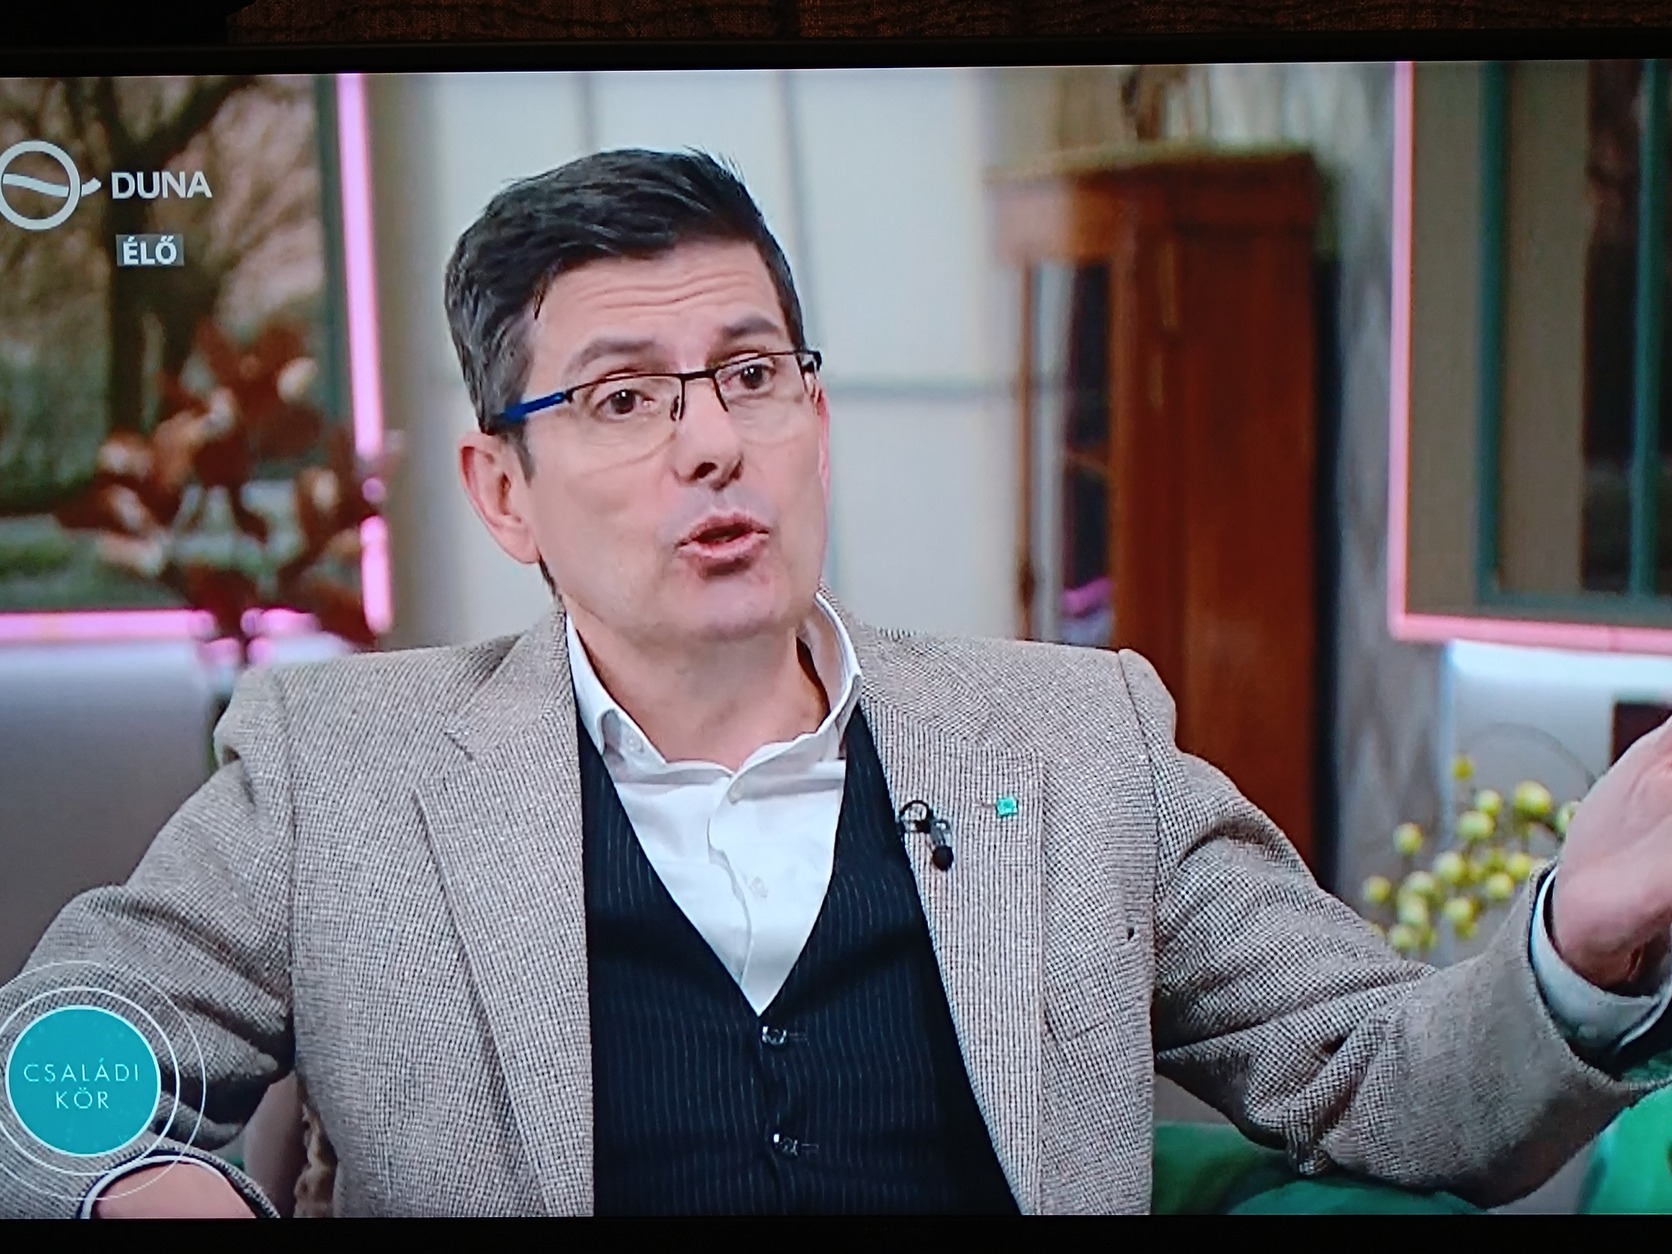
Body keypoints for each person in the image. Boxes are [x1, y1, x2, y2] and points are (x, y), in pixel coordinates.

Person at [6, 148, 1672, 1218]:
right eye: (623, 398)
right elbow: (53, 1052)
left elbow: (1380, 1068)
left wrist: (1576, 946)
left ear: (814, 415)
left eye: (750, 373)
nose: (712, 441)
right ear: (502, 489)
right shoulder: (342, 765)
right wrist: (146, 1189)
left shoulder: (1079, 738)